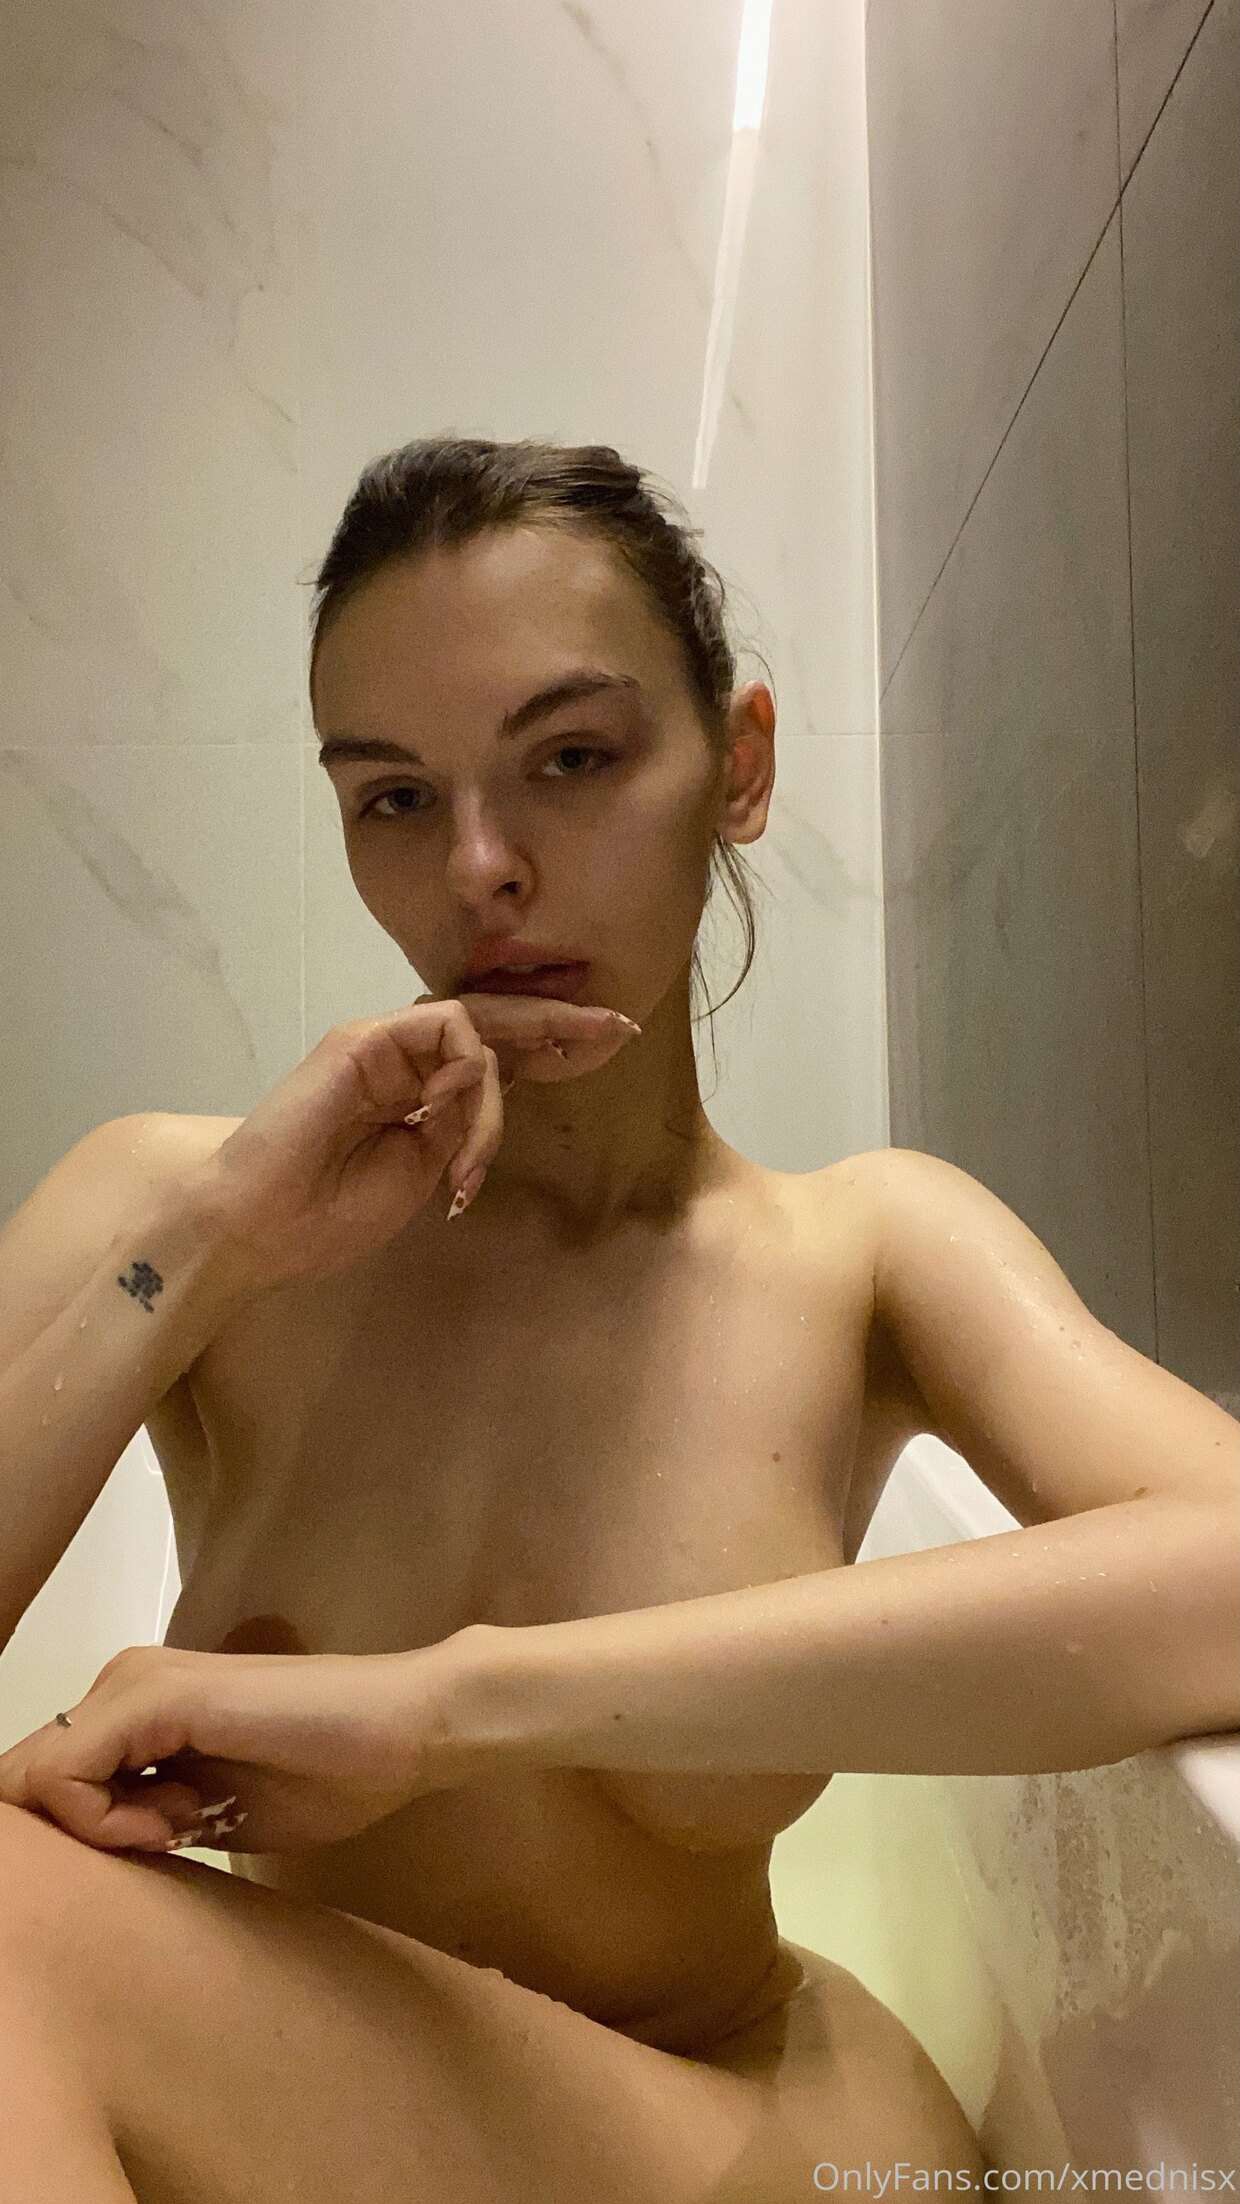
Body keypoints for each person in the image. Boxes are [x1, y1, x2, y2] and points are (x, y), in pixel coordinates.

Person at [0, 438, 991, 2199]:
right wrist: (211, 1246)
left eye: (572, 760)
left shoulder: (861, 1256)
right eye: (394, 797)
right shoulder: (182, 1214)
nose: (479, 870)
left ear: (739, 767)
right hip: (334, 2129)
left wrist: (447, 1704)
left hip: (750, 2135)